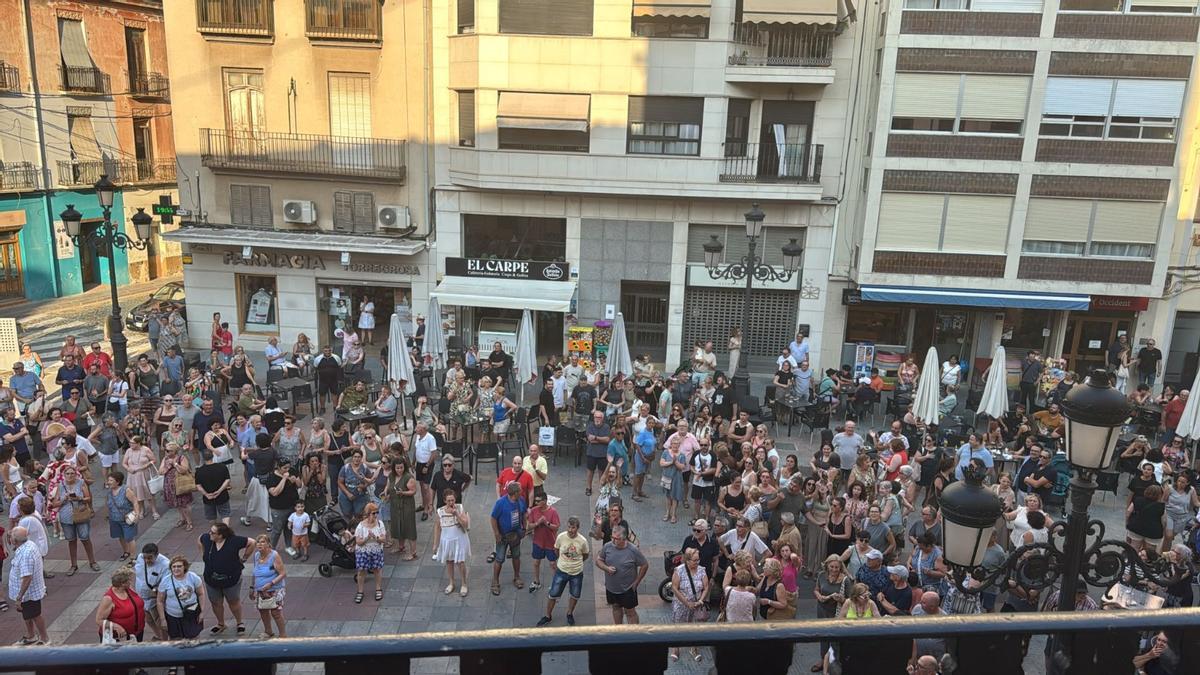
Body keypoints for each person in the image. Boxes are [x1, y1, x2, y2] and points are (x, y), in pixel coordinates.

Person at [198, 522, 253, 635]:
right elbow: (199, 539)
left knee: (233, 601)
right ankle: (221, 624)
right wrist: (203, 554)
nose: (210, 534)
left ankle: (239, 622)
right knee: (215, 602)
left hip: (231, 579)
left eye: (213, 533)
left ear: (221, 535)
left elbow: (252, 542)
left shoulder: (234, 541)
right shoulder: (206, 538)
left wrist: (244, 558)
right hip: (211, 579)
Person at [537, 515, 589, 627]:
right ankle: (547, 616)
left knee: (575, 595)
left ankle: (569, 613)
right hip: (561, 571)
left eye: (573, 527)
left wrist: (574, 563)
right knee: (553, 594)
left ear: (577, 528)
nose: (571, 530)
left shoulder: (583, 541)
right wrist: (563, 561)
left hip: (576, 573)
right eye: (569, 527)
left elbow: (585, 555)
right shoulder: (561, 537)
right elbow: (556, 550)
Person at [596, 524, 648, 625]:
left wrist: (637, 582)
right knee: (615, 607)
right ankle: (619, 631)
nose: (614, 541)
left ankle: (633, 635)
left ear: (624, 538)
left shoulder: (633, 550)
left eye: (617, 539)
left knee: (630, 612)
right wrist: (606, 568)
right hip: (611, 588)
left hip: (628, 589)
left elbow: (644, 565)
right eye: (612, 538)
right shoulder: (607, 546)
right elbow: (598, 561)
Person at [53, 465, 98, 574]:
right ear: (64, 475)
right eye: (67, 474)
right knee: (71, 540)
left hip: (81, 514)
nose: (70, 476)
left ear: (75, 474)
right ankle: (73, 564)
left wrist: (79, 498)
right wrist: (64, 499)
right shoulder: (60, 486)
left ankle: (92, 561)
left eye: (72, 473)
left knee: (85, 538)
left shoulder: (81, 483)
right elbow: (55, 503)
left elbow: (88, 498)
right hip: (66, 517)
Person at [9, 527, 49, 645]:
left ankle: (45, 638)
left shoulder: (25, 554)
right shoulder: (28, 543)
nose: (9, 538)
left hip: (28, 594)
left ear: (15, 541)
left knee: (35, 615)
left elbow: (27, 578)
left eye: (11, 537)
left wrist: (19, 597)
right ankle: (31, 636)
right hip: (28, 593)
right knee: (27, 615)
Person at [669, 547, 710, 663]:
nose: (697, 562)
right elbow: (675, 588)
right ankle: (676, 648)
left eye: (698, 560)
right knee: (678, 626)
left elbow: (706, 587)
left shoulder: (702, 570)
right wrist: (687, 603)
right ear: (687, 560)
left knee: (694, 627)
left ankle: (694, 648)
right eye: (694, 560)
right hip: (681, 605)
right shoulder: (679, 570)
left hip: (696, 604)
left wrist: (701, 600)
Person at [490, 481, 528, 595]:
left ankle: (517, 577)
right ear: (514, 493)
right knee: (500, 558)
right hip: (503, 535)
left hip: (516, 534)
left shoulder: (520, 500)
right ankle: (495, 581)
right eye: (520, 491)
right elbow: (493, 518)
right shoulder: (500, 503)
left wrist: (524, 528)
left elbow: (524, 514)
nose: (521, 492)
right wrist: (497, 534)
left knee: (516, 556)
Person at [432, 489, 471, 597]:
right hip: (446, 540)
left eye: (452, 500)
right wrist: (435, 543)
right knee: (449, 562)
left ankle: (464, 584)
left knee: (460, 562)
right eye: (448, 500)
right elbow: (437, 527)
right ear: (445, 500)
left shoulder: (460, 508)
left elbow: (466, 524)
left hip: (459, 539)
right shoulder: (440, 511)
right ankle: (451, 583)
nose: (451, 503)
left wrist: (457, 514)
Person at [158, 555, 206, 640]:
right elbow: (160, 601)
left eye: (179, 566)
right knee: (175, 640)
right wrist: (163, 619)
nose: (176, 569)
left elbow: (201, 594)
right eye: (174, 566)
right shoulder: (165, 581)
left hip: (191, 614)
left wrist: (201, 612)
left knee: (194, 638)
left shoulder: (193, 577)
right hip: (173, 616)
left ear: (185, 567)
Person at [95, 567, 146, 643]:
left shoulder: (129, 589)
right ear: (122, 583)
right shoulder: (108, 599)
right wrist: (116, 626)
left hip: (136, 633)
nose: (131, 581)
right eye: (129, 580)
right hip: (118, 638)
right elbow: (99, 620)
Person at [134, 543, 171, 641]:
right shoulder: (139, 557)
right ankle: (158, 636)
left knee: (159, 621)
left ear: (157, 555)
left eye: (149, 558)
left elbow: (166, 583)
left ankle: (164, 640)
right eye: (145, 558)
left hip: (154, 599)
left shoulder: (165, 565)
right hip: (141, 597)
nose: (146, 560)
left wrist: (155, 591)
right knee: (148, 619)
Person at [386, 457, 419, 560]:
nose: (399, 470)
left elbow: (413, 491)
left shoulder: (408, 477)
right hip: (395, 505)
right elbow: (388, 487)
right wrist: (386, 494)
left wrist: (403, 492)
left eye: (401, 468)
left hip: (406, 505)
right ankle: (400, 546)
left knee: (409, 527)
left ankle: (413, 552)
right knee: (397, 525)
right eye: (397, 468)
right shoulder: (391, 476)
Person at [353, 503, 386, 603]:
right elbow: (358, 542)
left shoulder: (380, 524)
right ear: (368, 514)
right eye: (373, 513)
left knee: (377, 569)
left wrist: (375, 538)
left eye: (377, 512)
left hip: (376, 550)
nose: (376, 515)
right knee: (361, 571)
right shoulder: (361, 526)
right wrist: (367, 538)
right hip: (363, 551)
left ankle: (378, 589)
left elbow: (383, 539)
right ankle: (360, 591)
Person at [527, 492, 560, 594]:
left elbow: (556, 527)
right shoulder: (533, 511)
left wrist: (547, 523)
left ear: (545, 501)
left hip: (550, 542)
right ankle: (536, 582)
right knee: (536, 562)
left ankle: (555, 584)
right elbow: (529, 526)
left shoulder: (553, 512)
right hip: (538, 542)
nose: (536, 503)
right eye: (535, 501)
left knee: (553, 564)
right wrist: (537, 523)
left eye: (538, 501)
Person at [106, 472, 141, 561]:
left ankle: (133, 557)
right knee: (120, 536)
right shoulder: (109, 491)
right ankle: (126, 551)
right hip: (114, 519)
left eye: (111, 480)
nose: (108, 482)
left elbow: (135, 502)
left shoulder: (126, 490)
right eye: (108, 480)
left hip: (126, 519)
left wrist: (137, 514)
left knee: (129, 537)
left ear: (117, 482)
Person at [196, 450, 233, 525]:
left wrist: (206, 494)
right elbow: (227, 480)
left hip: (208, 498)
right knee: (225, 513)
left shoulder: (199, 471)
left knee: (211, 517)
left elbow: (198, 486)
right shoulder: (222, 467)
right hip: (222, 495)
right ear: (213, 456)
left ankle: (215, 530)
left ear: (203, 458)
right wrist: (219, 491)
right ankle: (226, 529)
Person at [584, 410, 611, 497]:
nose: (597, 419)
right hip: (591, 453)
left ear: (602, 418)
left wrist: (595, 437)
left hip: (602, 454)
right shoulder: (590, 426)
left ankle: (602, 488)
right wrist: (601, 440)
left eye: (599, 417)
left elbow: (607, 440)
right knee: (590, 471)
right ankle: (588, 488)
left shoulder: (606, 427)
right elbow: (590, 440)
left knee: (602, 472)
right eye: (596, 417)